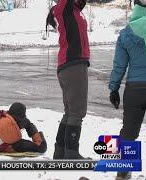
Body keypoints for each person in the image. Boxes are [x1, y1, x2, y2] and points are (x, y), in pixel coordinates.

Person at [109, 1, 146, 179]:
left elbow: (119, 65)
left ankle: (122, 173)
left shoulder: (126, 33)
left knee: (128, 133)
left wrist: (114, 88)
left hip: (134, 89)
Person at [46, 0, 90, 159]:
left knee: (70, 112)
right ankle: (71, 153)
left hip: (69, 64)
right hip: (74, 63)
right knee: (78, 112)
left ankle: (60, 151)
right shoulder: (65, 8)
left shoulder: (73, 11)